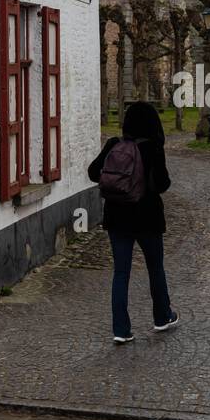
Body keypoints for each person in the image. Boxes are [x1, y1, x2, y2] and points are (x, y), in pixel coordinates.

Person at [87, 100, 179, 344]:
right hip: (147, 217)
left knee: (121, 273)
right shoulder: (152, 148)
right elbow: (162, 184)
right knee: (155, 269)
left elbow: (93, 172)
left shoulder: (114, 145)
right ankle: (162, 317)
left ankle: (121, 329)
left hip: (117, 218)